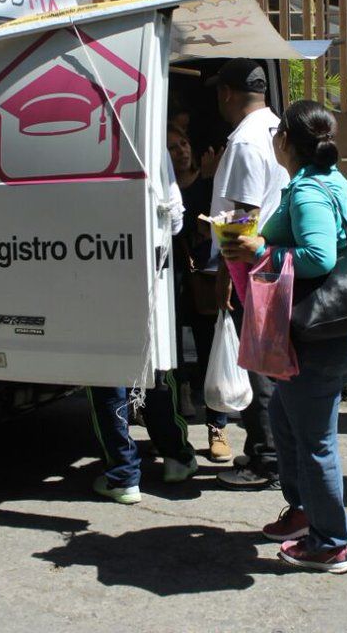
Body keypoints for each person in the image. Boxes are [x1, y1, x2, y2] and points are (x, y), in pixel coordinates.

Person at [220, 100, 347, 574]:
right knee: (284, 416)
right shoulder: (326, 182)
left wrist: (261, 246)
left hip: (320, 337)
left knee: (315, 442)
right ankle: (305, 511)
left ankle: (330, 544)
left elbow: (318, 257)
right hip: (335, 330)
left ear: (285, 140)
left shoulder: (308, 192)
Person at [89, 152, 198, 504]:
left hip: (90, 262)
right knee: (152, 366)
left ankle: (123, 474)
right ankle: (176, 457)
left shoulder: (74, 141)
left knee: (106, 371)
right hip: (149, 268)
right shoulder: (147, 133)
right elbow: (176, 215)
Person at [208, 58, 290, 490]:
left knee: (260, 366)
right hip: (276, 262)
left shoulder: (243, 142)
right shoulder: (277, 128)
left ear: (227, 93)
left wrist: (226, 275)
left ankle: (266, 460)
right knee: (273, 363)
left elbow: (242, 218)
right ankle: (275, 453)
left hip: (252, 267)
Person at [168, 124, 233, 462]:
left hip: (204, 279)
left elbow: (218, 222)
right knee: (171, 354)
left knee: (210, 353)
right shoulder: (162, 189)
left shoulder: (210, 183)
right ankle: (176, 418)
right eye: (173, 148)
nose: (182, 152)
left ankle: (217, 428)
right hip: (170, 279)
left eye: (184, 143)